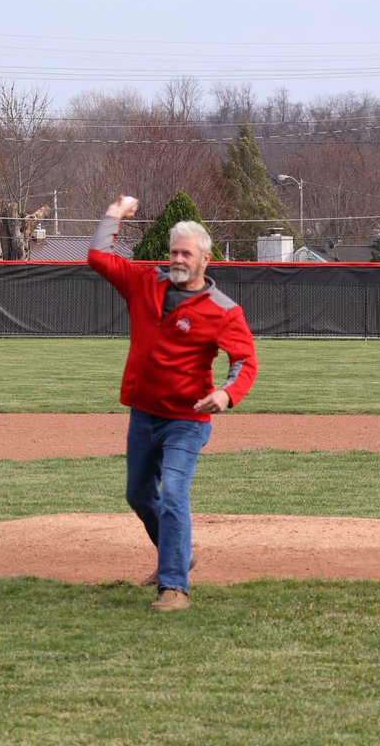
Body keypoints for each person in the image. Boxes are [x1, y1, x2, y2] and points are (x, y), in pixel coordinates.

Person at [88, 194, 258, 612]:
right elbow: (97, 256)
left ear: (205, 259)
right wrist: (114, 215)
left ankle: (174, 587)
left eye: (187, 253)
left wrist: (226, 393)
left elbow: (245, 360)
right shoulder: (146, 282)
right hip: (144, 413)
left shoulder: (223, 310)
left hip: (187, 418)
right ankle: (179, 554)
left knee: (174, 493)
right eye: (174, 251)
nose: (177, 258)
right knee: (138, 494)